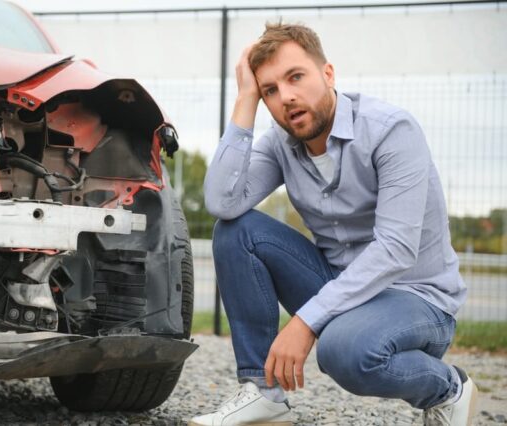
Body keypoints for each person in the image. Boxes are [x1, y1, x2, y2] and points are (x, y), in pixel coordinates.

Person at [190, 23, 476, 426]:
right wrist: (245, 98)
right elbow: (223, 202)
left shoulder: (391, 130)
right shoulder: (281, 143)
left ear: (327, 74)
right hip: (340, 285)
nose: (286, 96)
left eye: (295, 77)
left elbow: (395, 249)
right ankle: (263, 394)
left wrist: (305, 322)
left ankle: (450, 387)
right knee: (236, 231)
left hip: (417, 298)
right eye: (270, 90)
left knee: (344, 352)